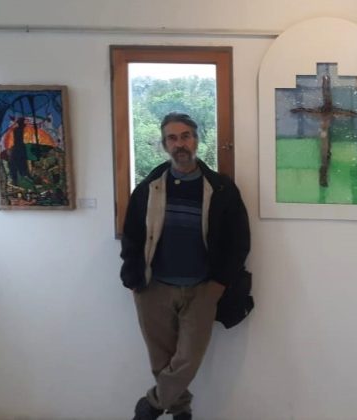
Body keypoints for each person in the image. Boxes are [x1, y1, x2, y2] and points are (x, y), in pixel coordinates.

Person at [120, 112, 250, 420]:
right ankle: (181, 412)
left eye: (186, 136)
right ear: (165, 144)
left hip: (202, 289)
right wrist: (134, 279)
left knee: (188, 358)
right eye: (172, 138)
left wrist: (219, 283)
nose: (180, 144)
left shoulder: (221, 189)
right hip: (154, 288)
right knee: (161, 360)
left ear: (196, 140)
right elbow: (132, 236)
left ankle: (152, 405)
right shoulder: (149, 188)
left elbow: (239, 240)